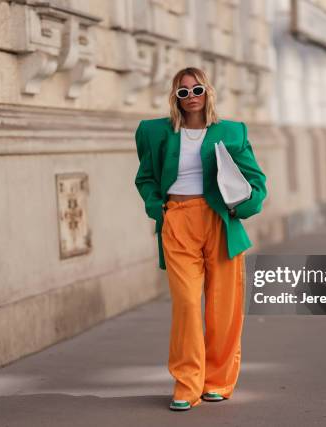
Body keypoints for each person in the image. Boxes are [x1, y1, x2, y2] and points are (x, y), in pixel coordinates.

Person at [133, 67, 267, 411]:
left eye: (197, 90)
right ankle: (186, 382)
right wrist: (156, 207)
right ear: (174, 97)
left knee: (224, 306)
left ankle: (218, 381)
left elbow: (256, 181)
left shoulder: (232, 132)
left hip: (220, 221)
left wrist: (244, 208)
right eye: (183, 92)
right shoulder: (153, 132)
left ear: (208, 92)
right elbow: (146, 178)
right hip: (178, 221)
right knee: (188, 303)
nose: (191, 97)